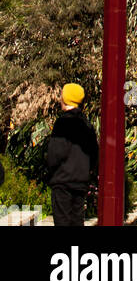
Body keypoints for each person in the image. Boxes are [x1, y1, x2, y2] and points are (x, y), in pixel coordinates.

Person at [46, 83, 99, 228]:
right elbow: (94, 153)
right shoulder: (86, 124)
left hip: (62, 181)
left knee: (62, 221)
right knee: (77, 221)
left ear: (65, 99)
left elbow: (55, 154)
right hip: (80, 181)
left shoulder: (62, 124)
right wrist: (88, 172)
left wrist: (52, 172)